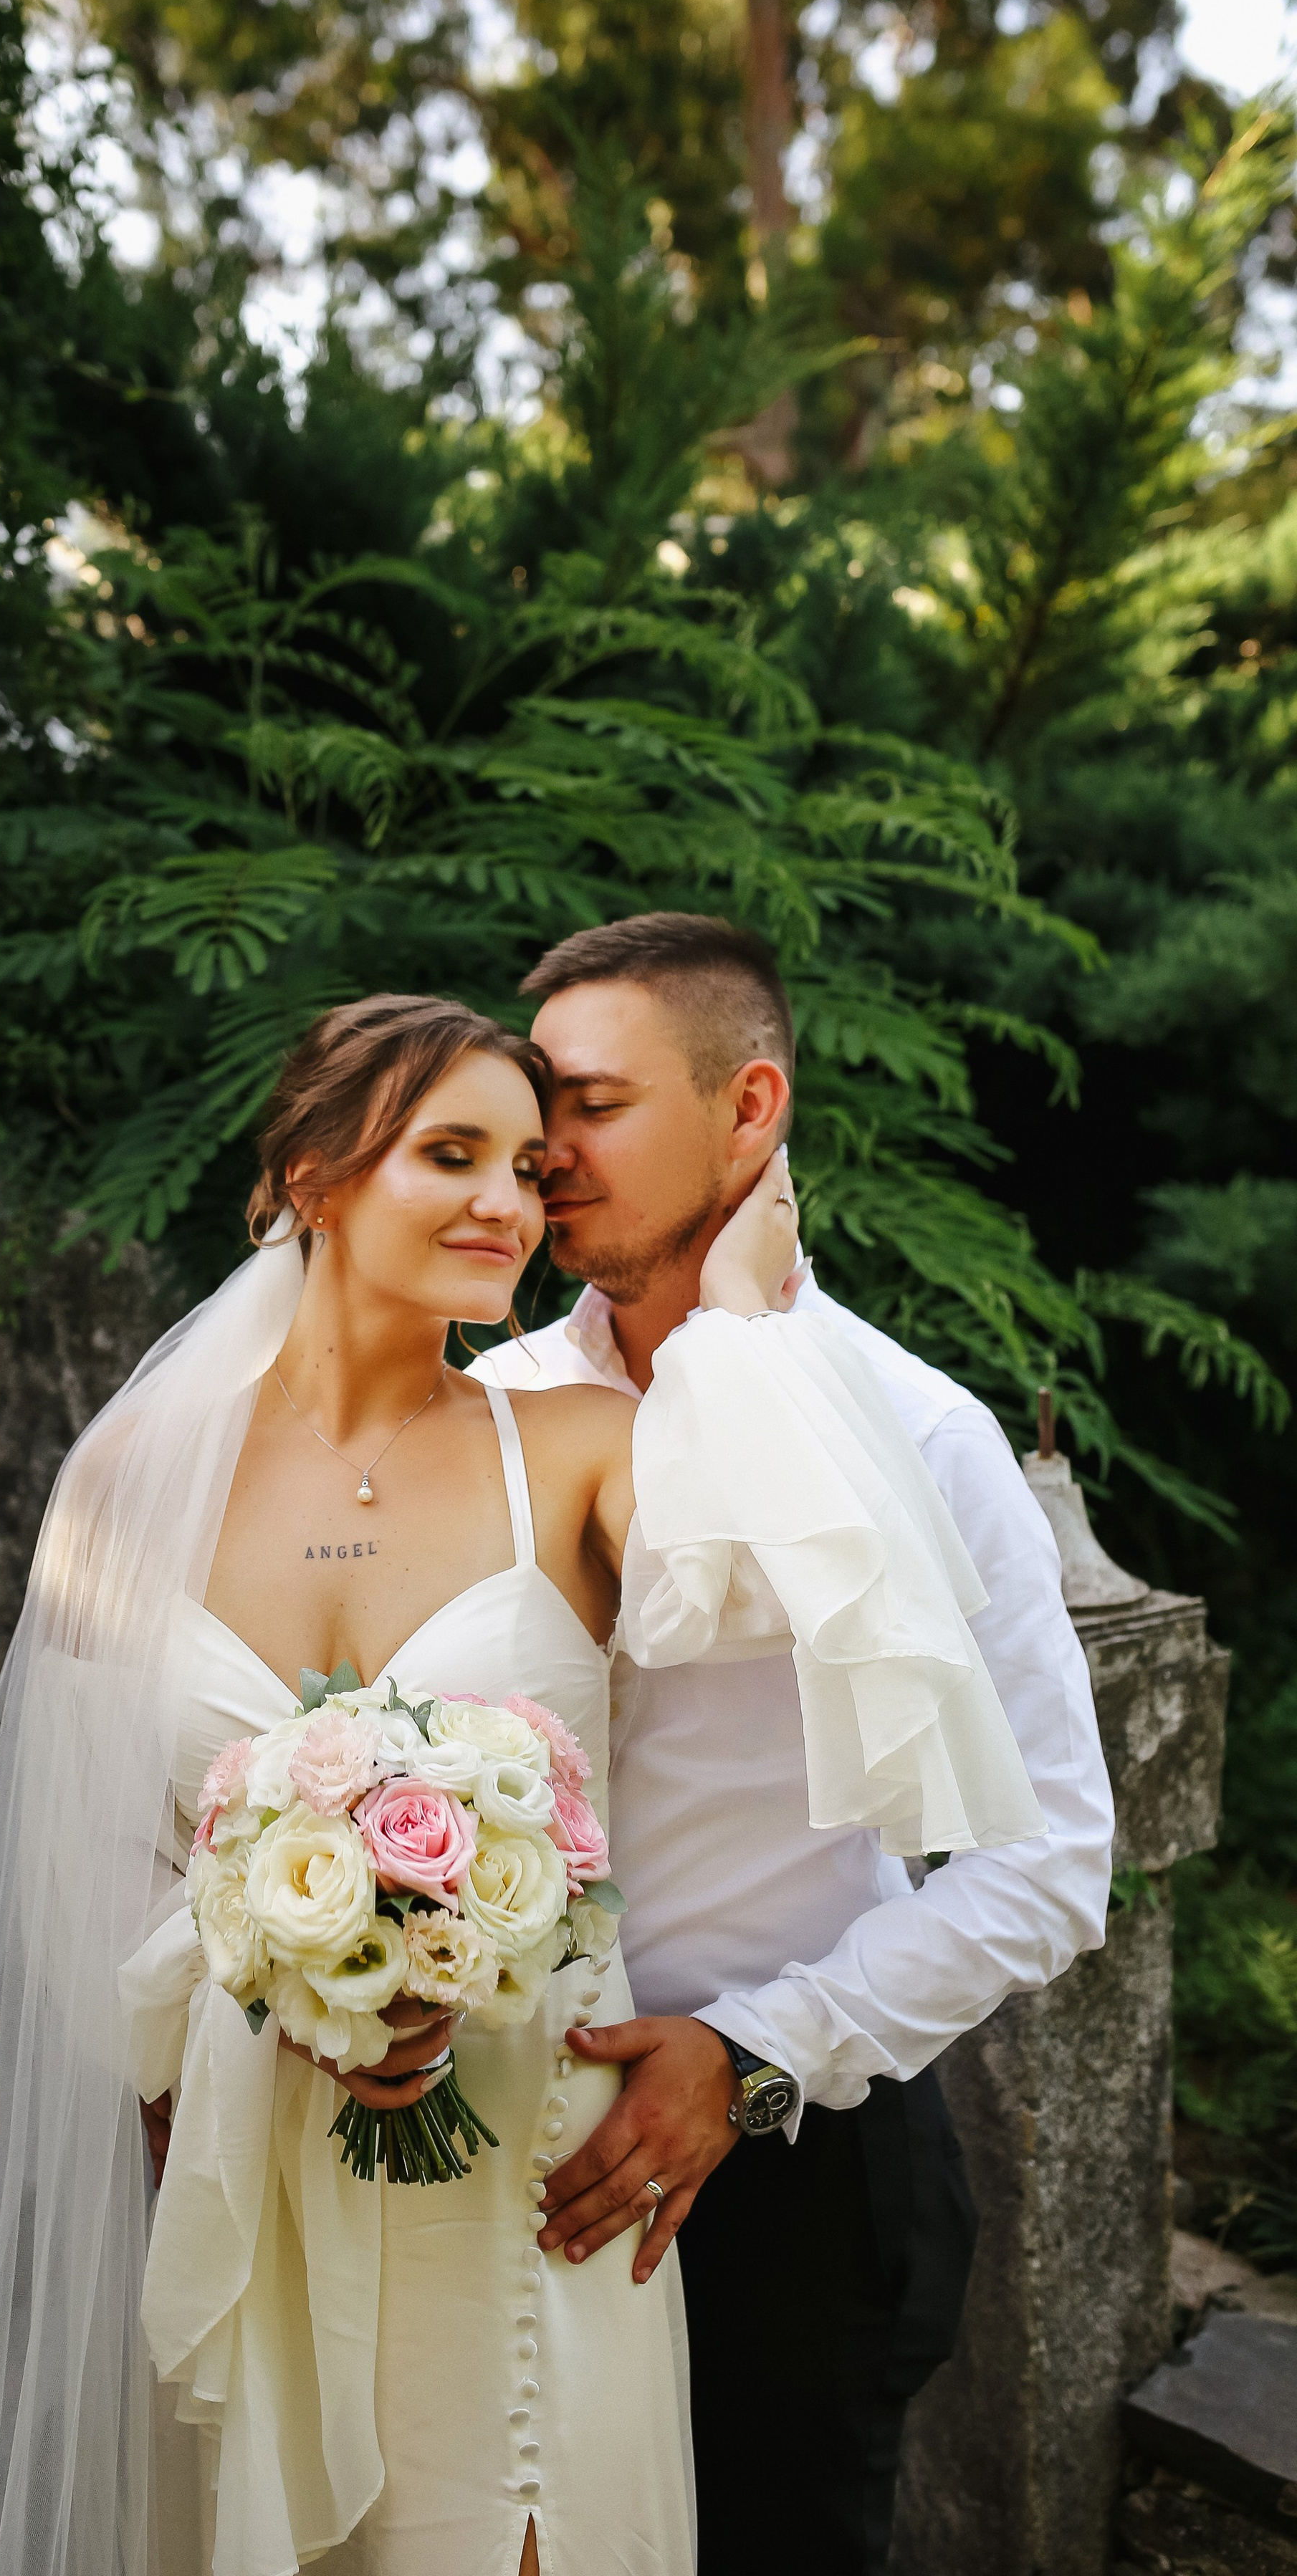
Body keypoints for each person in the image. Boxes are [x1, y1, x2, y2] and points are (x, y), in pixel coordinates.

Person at [0, 990, 1044, 2576]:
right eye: (451, 1155)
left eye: (528, 1168)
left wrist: (745, 1304)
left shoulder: (586, 1443)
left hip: (531, 2179)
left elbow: (858, 1589)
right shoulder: (124, 1480)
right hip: (250, 2160)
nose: (507, 1205)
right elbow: (86, 1853)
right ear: (312, 1175)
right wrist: (268, 1992)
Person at [469, 913, 1116, 2576]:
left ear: (747, 1109)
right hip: (490, 2147)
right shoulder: (486, 1407)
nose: (544, 1155)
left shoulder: (919, 1434)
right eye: (534, 1103)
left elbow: (1048, 1863)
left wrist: (748, 2058)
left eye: (593, 1105)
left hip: (792, 2179)